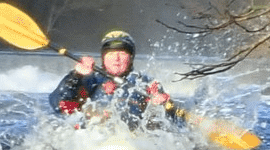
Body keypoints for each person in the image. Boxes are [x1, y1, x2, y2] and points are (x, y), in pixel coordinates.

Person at [48, 30, 178, 129]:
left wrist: (160, 107)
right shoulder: (89, 80)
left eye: (122, 53)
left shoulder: (146, 83)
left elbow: (171, 121)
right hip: (95, 138)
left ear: (131, 57)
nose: (116, 59)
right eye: (111, 53)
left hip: (133, 140)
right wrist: (75, 76)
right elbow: (59, 105)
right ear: (103, 58)